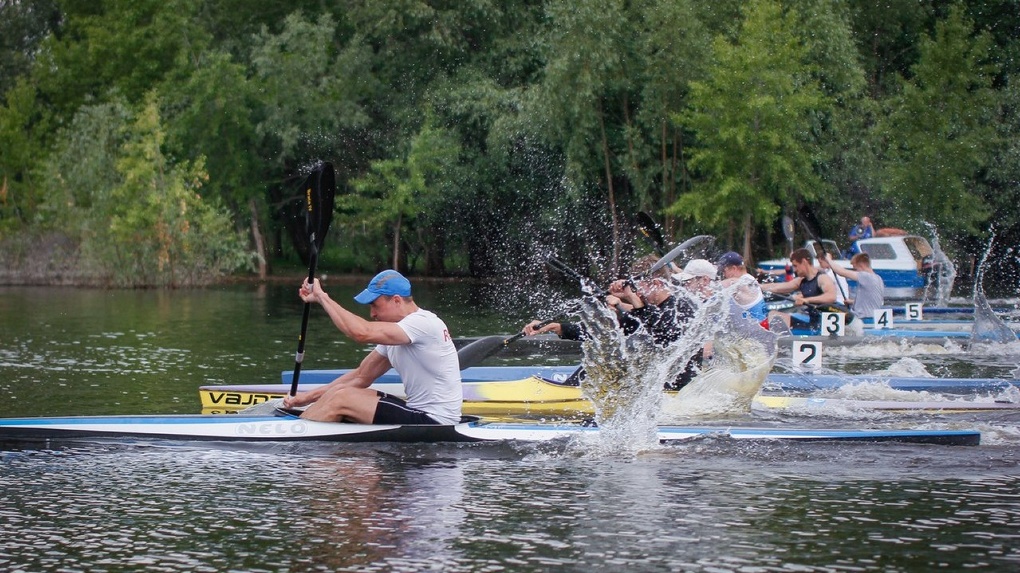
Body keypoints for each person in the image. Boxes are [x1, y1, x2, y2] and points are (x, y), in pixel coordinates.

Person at [282, 270, 462, 425]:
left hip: (437, 420)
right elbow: (361, 376)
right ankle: (304, 425)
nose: (372, 313)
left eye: (375, 305)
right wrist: (305, 398)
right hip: (417, 411)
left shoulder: (423, 323)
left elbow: (361, 332)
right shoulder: (397, 333)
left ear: (397, 301)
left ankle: (293, 440)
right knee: (340, 391)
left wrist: (322, 297)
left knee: (341, 399)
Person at [761, 248, 840, 330]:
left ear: (804, 262)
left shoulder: (822, 278)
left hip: (823, 327)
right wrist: (759, 286)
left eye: (795, 266)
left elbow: (831, 297)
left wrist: (807, 300)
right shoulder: (801, 281)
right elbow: (778, 287)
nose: (794, 270)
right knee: (774, 314)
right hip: (812, 324)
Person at [820, 252, 885, 335]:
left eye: (855, 268)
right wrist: (852, 301)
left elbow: (841, 272)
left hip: (862, 320)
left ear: (861, 265)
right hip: (872, 319)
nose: (855, 271)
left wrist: (828, 259)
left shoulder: (866, 276)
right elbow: (871, 299)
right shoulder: (878, 278)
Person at [716, 251, 767, 323]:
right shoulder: (750, 279)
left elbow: (718, 286)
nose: (724, 275)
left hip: (754, 332)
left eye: (724, 271)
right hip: (760, 328)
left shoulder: (741, 283)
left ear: (734, 268)